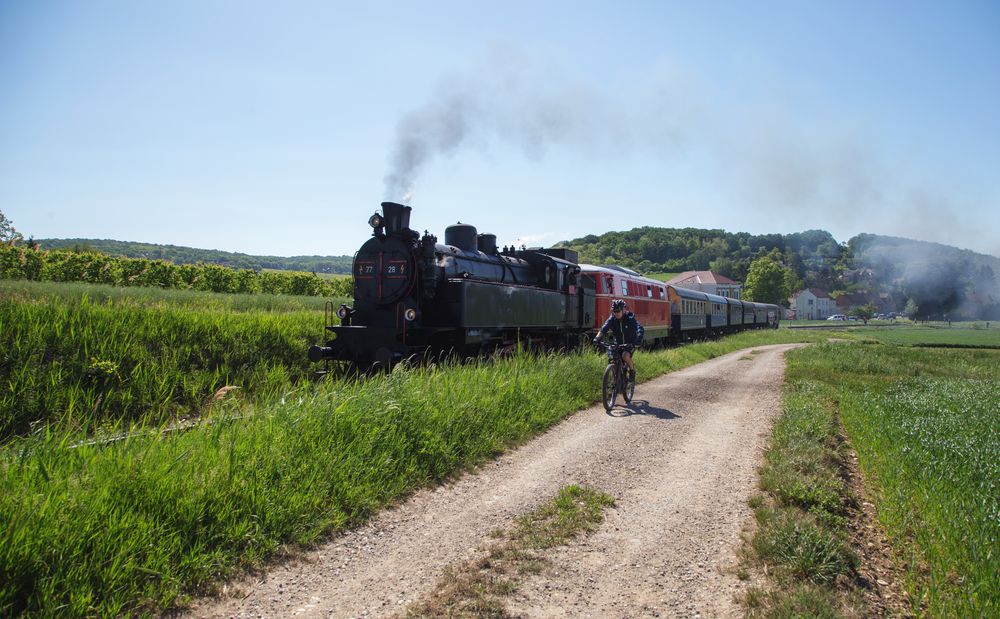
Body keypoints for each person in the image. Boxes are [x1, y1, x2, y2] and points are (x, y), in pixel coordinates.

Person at [594, 298, 644, 380]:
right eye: (614, 311)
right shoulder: (612, 319)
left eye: (618, 311)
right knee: (613, 359)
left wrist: (638, 340)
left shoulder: (630, 318)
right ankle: (615, 383)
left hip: (630, 343)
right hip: (618, 343)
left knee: (625, 356)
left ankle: (632, 370)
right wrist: (597, 338)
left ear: (623, 310)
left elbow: (640, 328)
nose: (616, 313)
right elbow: (603, 329)